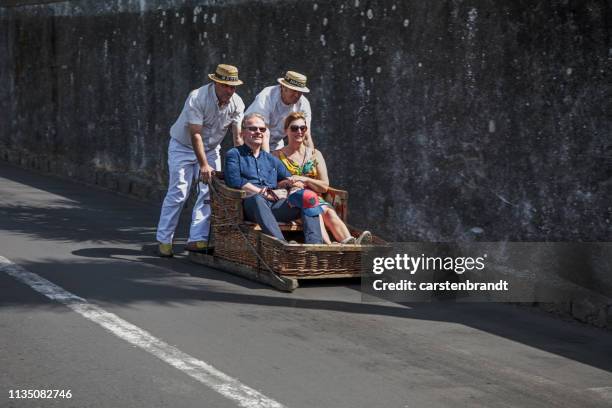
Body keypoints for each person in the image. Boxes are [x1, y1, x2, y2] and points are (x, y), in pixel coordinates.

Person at [156, 64, 245, 257]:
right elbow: (195, 134)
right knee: (179, 191)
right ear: (215, 83)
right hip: (183, 146)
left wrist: (243, 163)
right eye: (226, 86)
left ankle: (197, 239)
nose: (230, 91)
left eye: (233, 87)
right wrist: (204, 165)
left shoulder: (237, 103)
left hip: (212, 148)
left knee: (209, 193)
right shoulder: (197, 97)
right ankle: (164, 240)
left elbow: (237, 137)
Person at [273, 112, 372, 245]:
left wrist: (305, 180)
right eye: (294, 128)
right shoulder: (276, 156)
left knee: (328, 212)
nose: (299, 131)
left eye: (303, 128)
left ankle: (350, 243)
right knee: (316, 211)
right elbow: (273, 183)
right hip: (292, 200)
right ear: (286, 131)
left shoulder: (315, 154)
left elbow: (324, 185)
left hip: (315, 197)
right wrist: (288, 183)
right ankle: (329, 246)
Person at [224, 113, 324, 244]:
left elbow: (290, 178)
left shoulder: (271, 159)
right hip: (249, 206)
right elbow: (234, 181)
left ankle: (314, 247)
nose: (258, 132)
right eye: (253, 129)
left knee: (308, 196)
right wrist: (261, 192)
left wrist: (291, 186)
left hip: (275, 205)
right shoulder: (234, 154)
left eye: (262, 129)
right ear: (243, 133)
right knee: (257, 199)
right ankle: (282, 246)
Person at [245, 71, 312, 152]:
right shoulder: (267, 96)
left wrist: (313, 160)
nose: (297, 95)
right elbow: (263, 131)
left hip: (276, 144)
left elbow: (306, 135)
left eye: (300, 92)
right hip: (251, 140)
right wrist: (268, 160)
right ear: (283, 87)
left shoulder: (303, 103)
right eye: (294, 90)